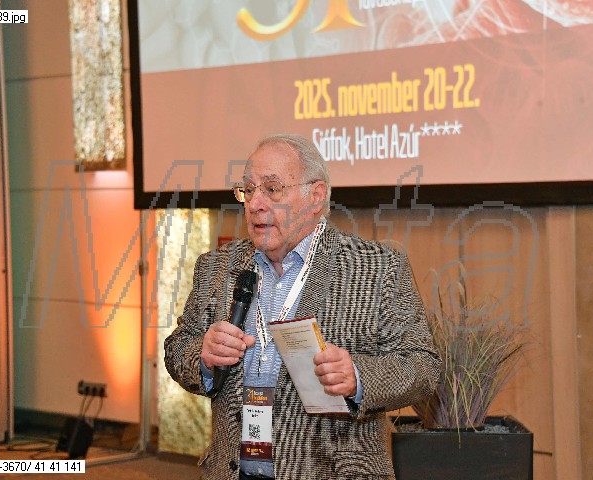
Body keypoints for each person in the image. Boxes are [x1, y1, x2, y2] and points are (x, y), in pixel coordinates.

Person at [164, 133, 440, 480]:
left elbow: (423, 367)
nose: (255, 203)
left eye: (272, 189)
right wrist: (203, 357)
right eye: (248, 190)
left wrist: (358, 377)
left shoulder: (377, 268)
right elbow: (177, 347)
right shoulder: (217, 267)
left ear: (316, 195)